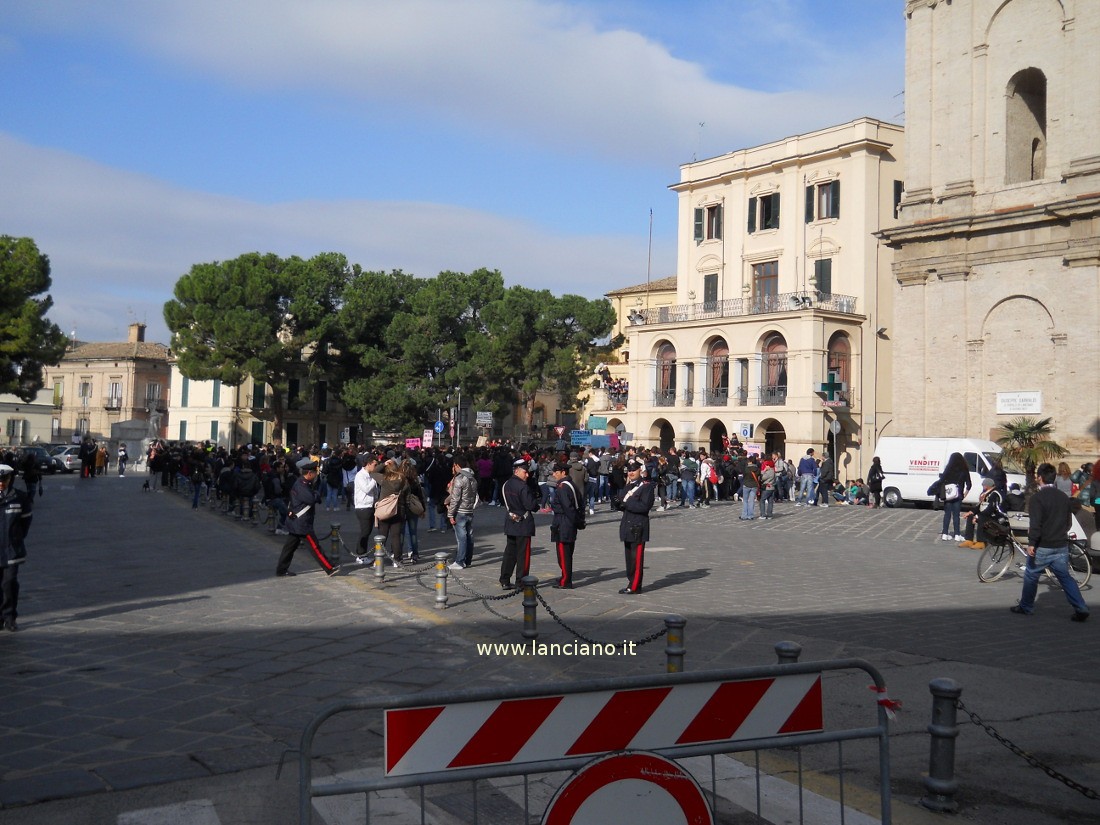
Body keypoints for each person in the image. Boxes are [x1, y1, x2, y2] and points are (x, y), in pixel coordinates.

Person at [1010, 463, 1089, 622]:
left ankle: (1026, 606)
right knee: (1065, 577)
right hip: (1060, 544)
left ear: (1039, 478)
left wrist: (1032, 543)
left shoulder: (1037, 498)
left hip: (1043, 545)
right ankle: (1081, 607)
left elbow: (1036, 524)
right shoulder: (1063, 497)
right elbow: (1068, 522)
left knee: (1031, 575)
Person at [275, 458, 338, 577]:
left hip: (295, 522)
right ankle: (329, 568)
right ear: (309, 473)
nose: (315, 475)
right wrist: (317, 495)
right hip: (302, 523)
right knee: (315, 547)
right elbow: (311, 499)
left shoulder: (301, 483)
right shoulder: (302, 485)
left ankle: (281, 569)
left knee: (289, 548)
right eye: (314, 473)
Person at [0, 464, 32, 631]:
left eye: (4, 479)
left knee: (9, 583)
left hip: (12, 549)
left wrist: (17, 538)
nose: (1, 483)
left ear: (10, 479)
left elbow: (26, 522)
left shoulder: (19, 498)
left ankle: (10, 616)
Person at [615, 459, 655, 594]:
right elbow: (622, 503)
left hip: (638, 526)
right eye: (629, 470)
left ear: (641, 471)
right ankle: (630, 582)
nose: (631, 472)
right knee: (629, 559)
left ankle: (635, 585)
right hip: (627, 525)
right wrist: (618, 504)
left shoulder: (646, 486)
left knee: (636, 559)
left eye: (634, 470)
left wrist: (626, 504)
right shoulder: (628, 486)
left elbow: (644, 506)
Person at [499, 458, 539, 590]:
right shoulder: (522, 486)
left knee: (510, 552)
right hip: (523, 522)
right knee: (523, 554)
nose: (527, 475)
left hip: (511, 520)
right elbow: (530, 505)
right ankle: (521, 581)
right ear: (517, 471)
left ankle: (505, 579)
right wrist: (536, 503)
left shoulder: (506, 484)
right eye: (525, 472)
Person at [550, 462, 584, 589]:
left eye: (556, 472)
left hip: (563, 523)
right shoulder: (571, 485)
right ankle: (565, 576)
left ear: (563, 473)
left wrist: (575, 521)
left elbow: (568, 508)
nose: (554, 474)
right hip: (568, 523)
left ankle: (566, 580)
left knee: (563, 554)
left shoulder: (563, 487)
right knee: (566, 553)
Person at [375, 460, 409, 566]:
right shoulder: (403, 479)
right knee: (396, 536)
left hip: (385, 510)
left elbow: (373, 472)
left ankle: (378, 559)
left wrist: (383, 464)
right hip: (399, 509)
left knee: (382, 536)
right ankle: (397, 559)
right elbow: (408, 495)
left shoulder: (384, 479)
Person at [447, 454, 478, 570]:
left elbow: (455, 499)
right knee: (469, 536)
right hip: (469, 510)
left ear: (457, 465)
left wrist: (450, 514)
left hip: (460, 511)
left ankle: (459, 561)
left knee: (461, 538)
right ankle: (467, 560)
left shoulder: (459, 479)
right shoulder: (473, 478)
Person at [959, 477, 1005, 550]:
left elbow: (991, 508)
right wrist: (971, 512)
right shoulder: (985, 493)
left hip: (993, 515)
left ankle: (981, 541)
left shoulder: (994, 494)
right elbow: (980, 505)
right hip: (984, 513)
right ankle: (969, 539)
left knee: (981, 518)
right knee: (970, 516)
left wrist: (977, 516)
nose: (983, 487)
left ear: (988, 485)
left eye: (984, 485)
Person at [937, 452, 971, 541]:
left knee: (947, 514)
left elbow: (941, 480)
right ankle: (957, 535)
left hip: (948, 494)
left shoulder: (948, 469)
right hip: (958, 495)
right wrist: (964, 494)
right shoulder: (964, 470)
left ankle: (945, 533)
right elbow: (969, 484)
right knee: (956, 515)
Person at [353, 454, 380, 557]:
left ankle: (363, 553)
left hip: (370, 505)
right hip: (363, 507)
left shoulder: (369, 475)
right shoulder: (360, 475)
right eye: (375, 464)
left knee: (367, 531)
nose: (376, 466)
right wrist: (375, 478)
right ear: (368, 464)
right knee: (365, 531)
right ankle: (360, 554)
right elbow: (367, 489)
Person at [401, 461, 426, 562]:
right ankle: (414, 553)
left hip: (402, 509)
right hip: (413, 509)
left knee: (401, 533)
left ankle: (398, 554)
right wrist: (423, 509)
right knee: (413, 532)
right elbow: (420, 496)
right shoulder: (415, 481)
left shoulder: (400, 481)